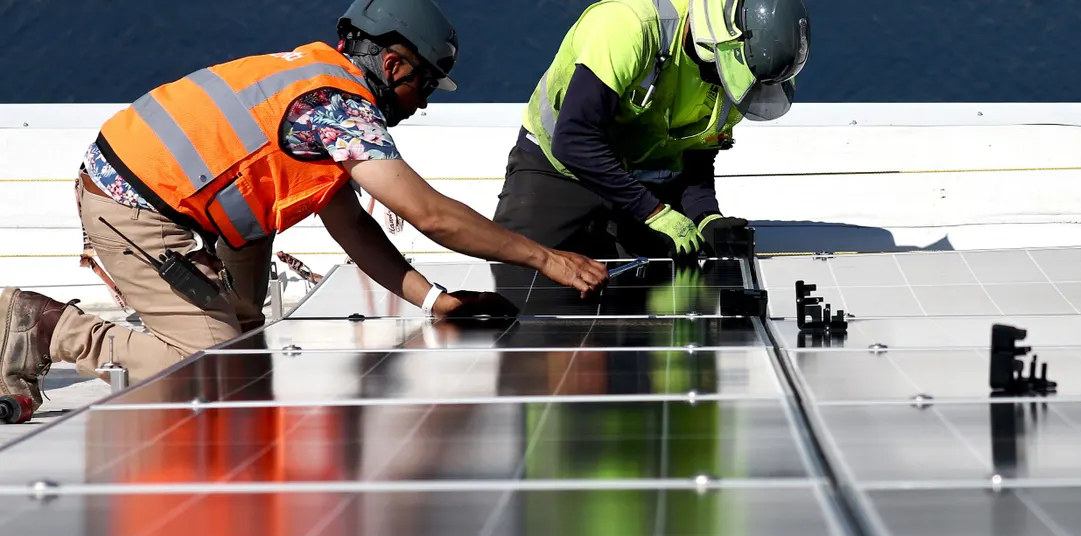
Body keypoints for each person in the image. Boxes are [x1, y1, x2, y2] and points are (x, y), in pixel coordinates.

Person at [0, 0, 609, 409]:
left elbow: (352, 226)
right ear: (392, 63)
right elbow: (429, 214)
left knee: (244, 345)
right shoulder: (337, 109)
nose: (423, 102)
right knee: (211, 364)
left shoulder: (317, 83)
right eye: (422, 83)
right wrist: (546, 259)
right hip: (137, 207)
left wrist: (434, 301)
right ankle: (43, 326)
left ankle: (222, 366)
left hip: (187, 202)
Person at [489, 0, 811, 311]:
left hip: (639, 181)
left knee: (662, 305)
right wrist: (653, 212)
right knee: (522, 297)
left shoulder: (741, 77)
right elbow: (573, 139)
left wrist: (706, 217)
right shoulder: (627, 26)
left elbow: (697, 156)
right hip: (556, 169)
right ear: (719, 41)